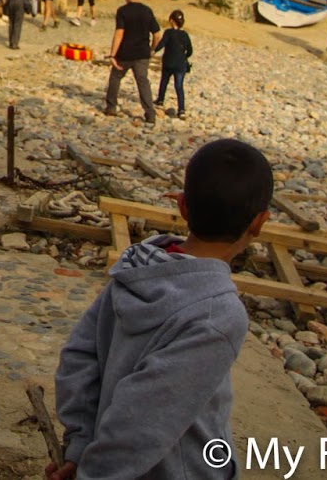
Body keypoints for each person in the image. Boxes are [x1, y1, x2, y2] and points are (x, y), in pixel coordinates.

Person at [52, 139, 274, 480]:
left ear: (182, 206)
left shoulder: (137, 268)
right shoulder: (218, 314)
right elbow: (143, 419)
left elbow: (80, 356)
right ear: (260, 222)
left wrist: (82, 443)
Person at [104, 0, 159, 124]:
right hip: (142, 53)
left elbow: (119, 34)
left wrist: (112, 54)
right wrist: (152, 49)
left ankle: (111, 106)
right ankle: (150, 113)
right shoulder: (147, 11)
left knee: (115, 77)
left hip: (125, 52)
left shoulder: (122, 11)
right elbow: (157, 34)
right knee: (143, 81)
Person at [153, 9, 194, 119]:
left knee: (164, 81)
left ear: (171, 21)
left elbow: (162, 43)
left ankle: (160, 100)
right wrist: (183, 57)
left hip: (168, 63)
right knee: (179, 86)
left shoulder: (168, 33)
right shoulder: (185, 35)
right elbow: (190, 50)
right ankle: (181, 109)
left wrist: (153, 50)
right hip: (180, 65)